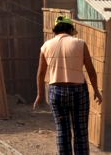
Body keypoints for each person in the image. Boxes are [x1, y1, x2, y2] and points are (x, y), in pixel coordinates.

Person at [35, 15, 101, 155]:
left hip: (56, 92)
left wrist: (40, 95)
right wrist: (96, 90)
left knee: (62, 131)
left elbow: (40, 74)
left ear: (55, 30)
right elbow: (91, 71)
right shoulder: (80, 43)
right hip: (78, 92)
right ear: (71, 29)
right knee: (81, 132)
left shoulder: (46, 46)